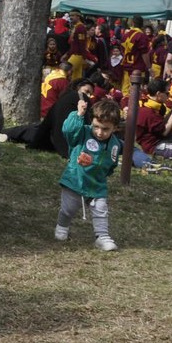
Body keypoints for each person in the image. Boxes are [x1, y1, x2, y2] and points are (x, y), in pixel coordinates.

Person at [55, 94, 124, 251]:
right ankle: (62, 225)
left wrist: (104, 173)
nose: (100, 132)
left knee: (101, 209)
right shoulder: (82, 132)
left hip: (97, 184)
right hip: (75, 179)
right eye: (96, 126)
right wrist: (78, 115)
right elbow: (68, 130)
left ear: (115, 128)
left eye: (106, 129)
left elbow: (112, 163)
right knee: (68, 209)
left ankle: (102, 236)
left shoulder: (115, 144)